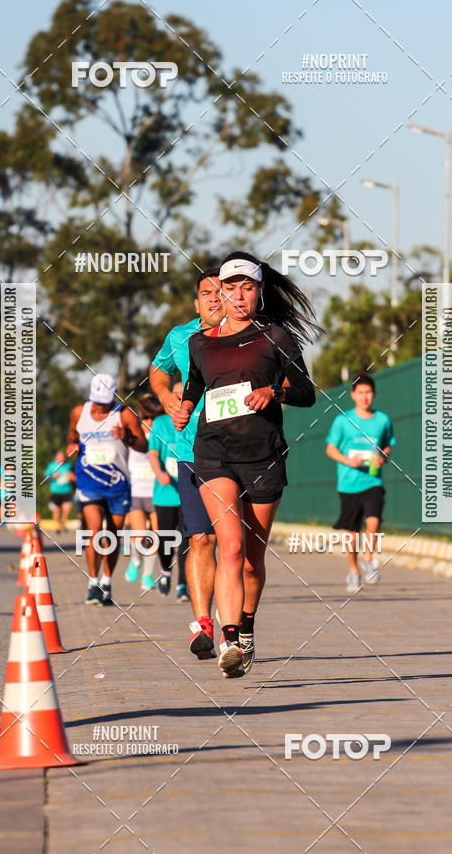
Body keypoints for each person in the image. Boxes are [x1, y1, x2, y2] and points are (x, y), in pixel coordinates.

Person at [174, 252, 319, 677]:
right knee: (230, 546)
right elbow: (197, 382)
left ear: (258, 292)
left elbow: (306, 392)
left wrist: (274, 392)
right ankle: (231, 639)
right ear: (220, 291)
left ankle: (248, 626)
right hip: (214, 452)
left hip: (263, 457)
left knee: (253, 559)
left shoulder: (276, 338)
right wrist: (184, 406)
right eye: (231, 288)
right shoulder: (200, 341)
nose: (239, 296)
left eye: (248, 288)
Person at [149, 268, 224, 659]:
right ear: (197, 303)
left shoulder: (245, 336)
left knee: (235, 547)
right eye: (206, 293)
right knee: (201, 539)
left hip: (239, 453)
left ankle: (236, 627)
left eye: (220, 291)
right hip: (190, 452)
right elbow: (158, 371)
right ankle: (203, 626)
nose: (214, 298)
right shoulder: (181, 336)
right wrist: (165, 398)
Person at [67, 372, 147, 605]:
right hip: (89, 480)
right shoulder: (78, 412)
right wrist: (71, 444)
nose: (101, 407)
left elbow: (143, 445)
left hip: (118, 483)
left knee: (112, 534)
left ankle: (106, 582)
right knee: (93, 530)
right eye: (97, 401)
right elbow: (72, 433)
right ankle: (92, 582)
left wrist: (127, 437)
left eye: (105, 403)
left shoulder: (125, 414)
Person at [325, 373, 395, 593]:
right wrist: (348, 460)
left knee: (373, 521)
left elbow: (387, 446)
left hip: (373, 480)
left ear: (374, 394)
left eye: (368, 392)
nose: (365, 397)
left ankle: (368, 558)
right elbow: (330, 449)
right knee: (352, 532)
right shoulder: (342, 421)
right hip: (348, 484)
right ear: (353, 395)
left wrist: (382, 457)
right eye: (360, 392)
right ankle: (354, 570)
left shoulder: (383, 420)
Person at [148, 382, 188, 601]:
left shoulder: (193, 420)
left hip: (188, 491)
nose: (181, 399)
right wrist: (159, 472)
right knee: (165, 540)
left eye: (185, 395)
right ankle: (165, 571)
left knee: (186, 541)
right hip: (165, 492)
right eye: (177, 395)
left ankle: (183, 584)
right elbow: (153, 453)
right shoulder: (161, 423)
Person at [124, 393, 161, 591]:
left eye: (153, 418)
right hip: (136, 493)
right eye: (146, 418)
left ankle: (148, 576)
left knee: (156, 537)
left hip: (155, 494)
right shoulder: (133, 436)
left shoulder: (161, 435)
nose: (149, 422)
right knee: (139, 536)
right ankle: (136, 560)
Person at [44, 451, 75, 532]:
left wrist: (71, 476)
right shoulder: (52, 465)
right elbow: (46, 476)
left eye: (63, 457)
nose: (61, 459)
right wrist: (52, 476)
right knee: (56, 510)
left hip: (66, 491)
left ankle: (63, 523)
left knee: (67, 508)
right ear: (56, 458)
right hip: (55, 491)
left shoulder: (68, 465)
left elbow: (73, 475)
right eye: (60, 457)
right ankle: (58, 525)